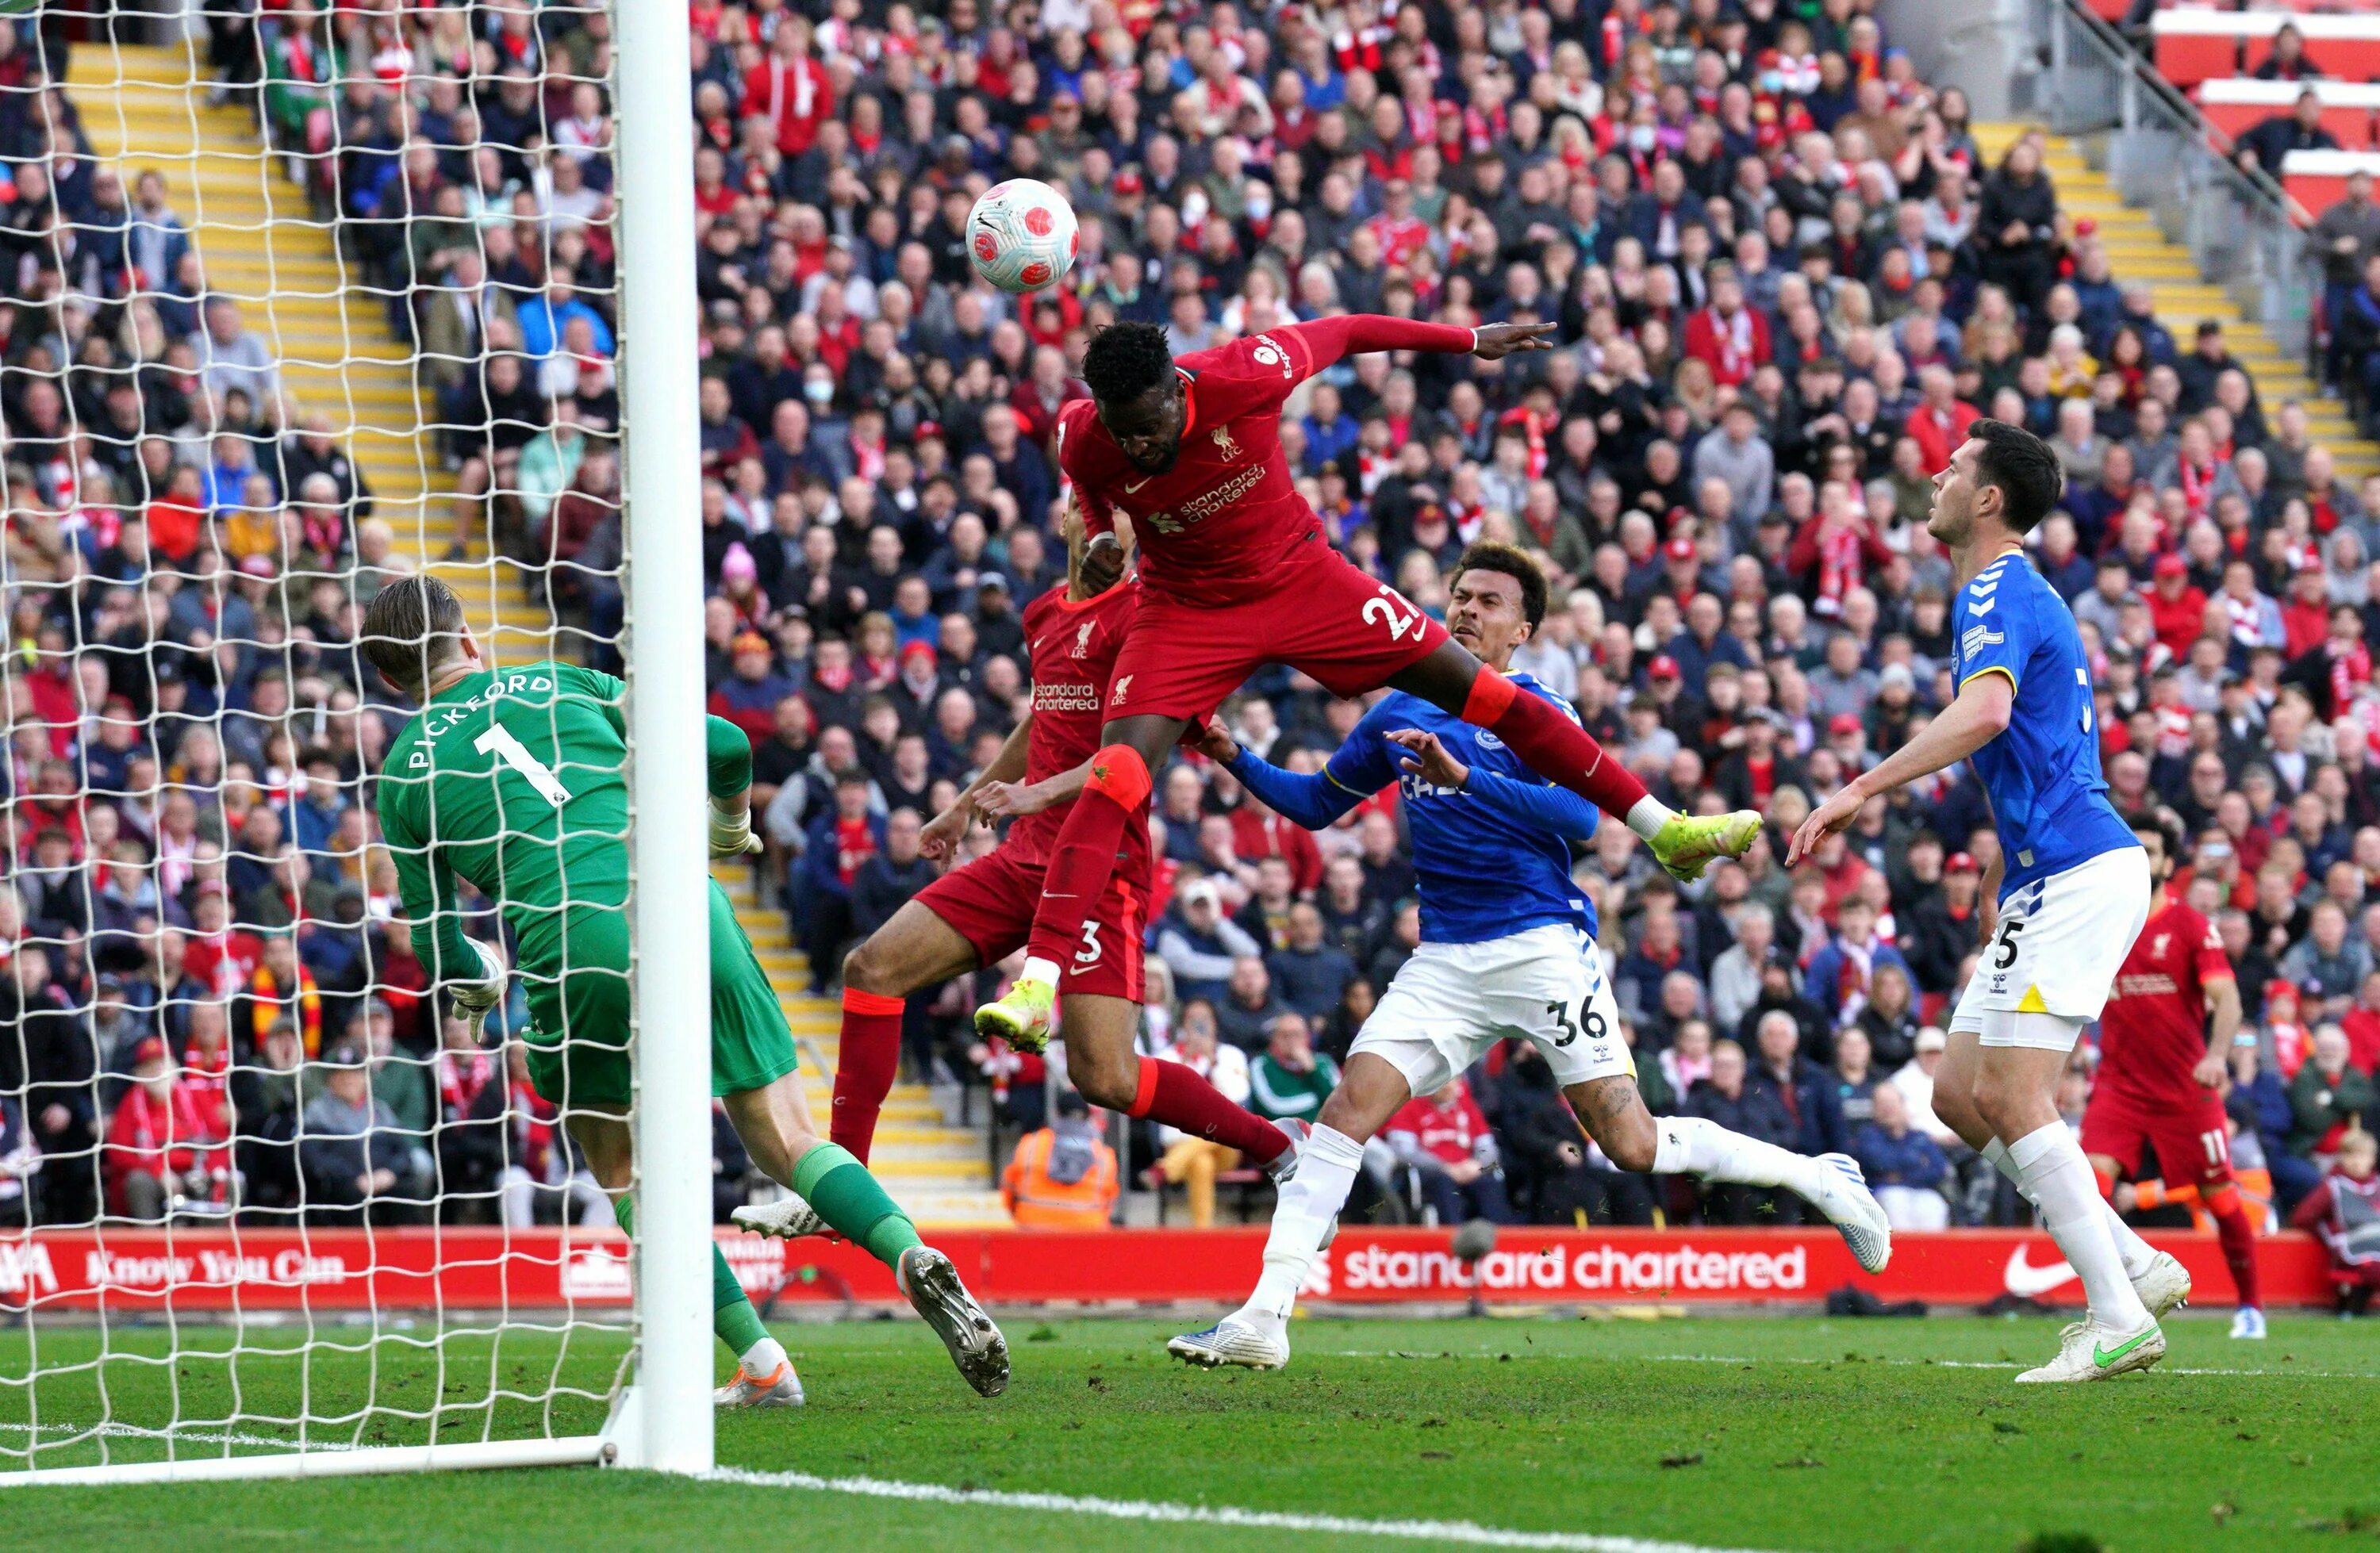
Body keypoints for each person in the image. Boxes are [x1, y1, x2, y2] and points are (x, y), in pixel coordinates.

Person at [1172, 544, 1886, 1370]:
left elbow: (1583, 822)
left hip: (1543, 944)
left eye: (1489, 601)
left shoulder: (1533, 710)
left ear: (1523, 630)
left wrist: (1466, 775)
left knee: (1632, 1142)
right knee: (1344, 1113)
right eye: (1460, 596)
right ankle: (1265, 1316)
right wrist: (1232, 756)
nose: (1469, 610)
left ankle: (1821, 1177)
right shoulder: (1400, 711)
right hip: (1445, 959)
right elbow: (1317, 803)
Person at [974, 320, 1763, 1052]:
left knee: (1485, 693)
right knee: (1117, 773)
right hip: (1187, 609)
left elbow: (1350, 330)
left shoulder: (1246, 372)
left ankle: (1666, 829)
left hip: (1304, 581)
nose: (1139, 444)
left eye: (1150, 422)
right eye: (1124, 430)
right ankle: (1039, 983)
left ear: (1179, 388)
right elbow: (1089, 489)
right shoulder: (1085, 433)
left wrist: (1466, 341)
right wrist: (1107, 539)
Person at [360, 574, 1007, 1405]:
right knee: (786, 1136)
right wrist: (731, 825)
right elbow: (729, 744)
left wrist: (480, 984)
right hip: (682, 896)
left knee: (626, 1165)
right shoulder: (562, 679)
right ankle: (909, 1250)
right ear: (471, 639)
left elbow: (439, 944)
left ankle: (762, 1360)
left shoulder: (404, 775)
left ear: (389, 682)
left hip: (573, 938)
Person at [1791, 419, 2173, 1383]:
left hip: (2082, 869)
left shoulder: (1997, 584)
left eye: (1955, 467)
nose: (1936, 474)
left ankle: (2116, 1311)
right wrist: (2012, 862)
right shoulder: (2008, 589)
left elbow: (1991, 712)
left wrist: (1858, 788)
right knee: (1960, 1094)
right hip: (2056, 866)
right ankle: (2130, 1258)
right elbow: (2044, 742)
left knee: (2013, 1092)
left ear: (1989, 499)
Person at [830, 504, 1298, 1182]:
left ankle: (1275, 1145)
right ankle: (843, 1181)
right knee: (871, 968)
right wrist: (963, 807)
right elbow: (1043, 716)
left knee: (1104, 1076)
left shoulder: (1151, 622)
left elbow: (1134, 758)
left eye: (1124, 513)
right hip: (1022, 857)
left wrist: (1036, 795)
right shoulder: (1044, 613)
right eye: (1092, 507)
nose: (1107, 523)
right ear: (1064, 523)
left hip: (1102, 871)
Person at [2080, 810, 2263, 1339]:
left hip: (2186, 1089)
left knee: (2222, 1199)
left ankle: (2250, 1307)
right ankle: (2113, 1309)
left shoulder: (2188, 926)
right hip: (2119, 1088)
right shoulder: (2104, 921)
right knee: (2088, 1191)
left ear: (2167, 862)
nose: (2142, 858)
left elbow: (2226, 998)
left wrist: (2217, 1054)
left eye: (2152, 850)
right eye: (2132, 848)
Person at [2288, 1123, 2380, 1316]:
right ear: (2341, 1158)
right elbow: (2303, 1216)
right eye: (2351, 1156)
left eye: (2362, 1156)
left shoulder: (2377, 1184)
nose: (2356, 1162)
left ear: (2372, 1159)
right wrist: (2330, 1231)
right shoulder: (2333, 1186)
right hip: (2352, 1249)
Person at [1000, 1088, 1119, 1229]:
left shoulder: (1030, 1145)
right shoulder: (1104, 1155)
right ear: (1088, 1117)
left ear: (1057, 1113)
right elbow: (1109, 1204)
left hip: (1033, 1234)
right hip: (1086, 1237)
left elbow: (1008, 1191)